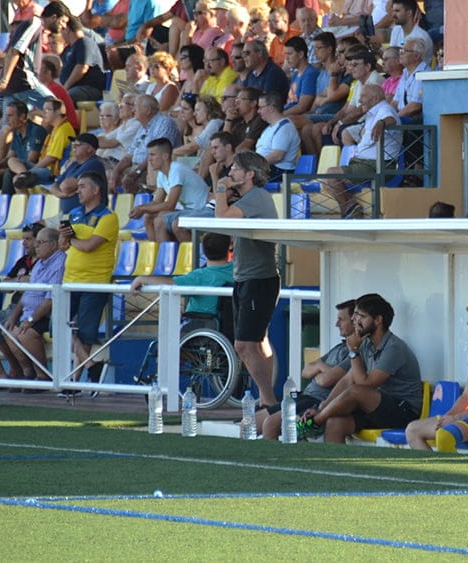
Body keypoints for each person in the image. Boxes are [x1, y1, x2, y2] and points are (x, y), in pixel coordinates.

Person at [303, 292, 422, 444]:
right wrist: (323, 406)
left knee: (356, 391)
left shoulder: (394, 348)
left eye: (361, 316)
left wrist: (353, 351)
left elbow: (364, 385)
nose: (354, 319)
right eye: (355, 315)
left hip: (403, 411)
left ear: (378, 320)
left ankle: (315, 423)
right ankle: (333, 466)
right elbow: (348, 380)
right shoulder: (366, 344)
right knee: (335, 423)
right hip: (375, 407)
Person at [214, 150, 280, 406]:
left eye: (235, 170)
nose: (230, 174)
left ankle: (269, 401)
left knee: (244, 345)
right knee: (259, 341)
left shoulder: (257, 197)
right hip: (246, 278)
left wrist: (221, 188)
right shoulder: (248, 199)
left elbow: (221, 218)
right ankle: (268, 401)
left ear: (249, 174)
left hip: (258, 279)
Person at [404, 297, 468, 451]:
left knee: (443, 433)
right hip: (465, 415)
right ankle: (434, 473)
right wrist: (446, 417)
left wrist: (455, 418)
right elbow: (466, 396)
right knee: (412, 430)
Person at [58, 171, 119, 391]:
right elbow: (62, 246)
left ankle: (74, 382)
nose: (78, 190)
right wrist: (65, 237)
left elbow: (90, 245)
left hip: (94, 281)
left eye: (82, 186)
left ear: (96, 190)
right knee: (60, 325)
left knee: (84, 331)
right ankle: (92, 366)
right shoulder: (73, 213)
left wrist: (71, 238)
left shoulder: (108, 217)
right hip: (69, 280)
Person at [261, 299, 356, 441]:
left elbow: (326, 380)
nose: (337, 324)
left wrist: (319, 369)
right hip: (304, 396)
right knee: (249, 421)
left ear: (355, 321)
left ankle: (273, 461)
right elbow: (305, 371)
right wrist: (322, 368)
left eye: (341, 320)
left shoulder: (355, 353)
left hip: (315, 400)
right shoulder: (339, 347)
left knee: (270, 424)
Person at [322, 83, 400, 218]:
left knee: (331, 175)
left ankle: (349, 210)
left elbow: (391, 119)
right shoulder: (370, 113)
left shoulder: (384, 109)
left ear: (375, 98)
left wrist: (382, 123)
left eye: (363, 96)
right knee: (326, 182)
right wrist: (361, 110)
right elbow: (346, 120)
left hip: (379, 165)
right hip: (364, 163)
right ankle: (350, 207)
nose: (359, 100)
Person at [131, 232, 234, 333]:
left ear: (204, 250)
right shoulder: (236, 271)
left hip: (200, 328)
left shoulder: (199, 276)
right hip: (229, 329)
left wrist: (142, 279)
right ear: (229, 247)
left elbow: (170, 284)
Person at [0, 227, 66, 382]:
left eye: (41, 243)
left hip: (47, 314)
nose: (36, 246)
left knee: (25, 334)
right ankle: (28, 372)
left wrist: (30, 321)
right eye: (36, 243)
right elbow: (27, 294)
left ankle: (43, 375)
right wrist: (13, 317)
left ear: (53, 244)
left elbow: (50, 300)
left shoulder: (59, 263)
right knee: (7, 331)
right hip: (28, 312)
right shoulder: (38, 264)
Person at [0, 222, 42, 380]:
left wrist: (23, 281)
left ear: (38, 240)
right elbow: (7, 283)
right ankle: (8, 370)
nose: (24, 243)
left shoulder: (44, 261)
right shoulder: (23, 260)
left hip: (28, 308)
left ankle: (24, 370)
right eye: (23, 239)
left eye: (28, 239)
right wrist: (22, 280)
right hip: (12, 307)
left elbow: (35, 284)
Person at [130, 138, 210, 242]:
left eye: (152, 155)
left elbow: (170, 205)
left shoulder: (176, 170)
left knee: (160, 220)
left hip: (202, 210)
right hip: (189, 211)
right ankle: (157, 253)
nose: (149, 159)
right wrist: (140, 207)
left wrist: (143, 209)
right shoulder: (162, 174)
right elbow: (157, 201)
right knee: (148, 217)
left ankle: (178, 256)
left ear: (165, 156)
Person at [111, 93, 182, 193]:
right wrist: (116, 171)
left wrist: (136, 173)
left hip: (153, 169)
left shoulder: (164, 123)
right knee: (108, 175)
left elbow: (157, 154)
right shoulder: (142, 127)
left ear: (147, 110)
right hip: (137, 168)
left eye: (135, 106)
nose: (132, 110)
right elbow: (129, 156)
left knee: (128, 181)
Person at [0, 0, 57, 110]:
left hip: (13, 85)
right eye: (63, 21)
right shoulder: (35, 23)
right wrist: (5, 79)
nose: (63, 26)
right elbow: (15, 51)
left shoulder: (33, 26)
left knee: (11, 123)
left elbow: (9, 52)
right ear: (54, 17)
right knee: (56, 108)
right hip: (25, 81)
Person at [8, 96, 76, 193]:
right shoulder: (55, 129)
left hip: (52, 171)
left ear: (58, 112)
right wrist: (28, 173)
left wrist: (34, 169)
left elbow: (51, 158)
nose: (43, 113)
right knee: (12, 160)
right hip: (43, 168)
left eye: (47, 110)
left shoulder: (64, 129)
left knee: (17, 180)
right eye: (43, 110)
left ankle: (27, 206)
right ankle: (24, 174)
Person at [0, 101, 46, 195]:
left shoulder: (36, 131)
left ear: (22, 117)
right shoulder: (16, 132)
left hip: (33, 171)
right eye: (7, 115)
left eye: (10, 115)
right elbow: (9, 157)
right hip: (17, 169)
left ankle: (5, 205)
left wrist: (2, 171)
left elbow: (31, 160)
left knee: (8, 173)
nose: (7, 119)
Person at [47, 133, 107, 214]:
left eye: (78, 145)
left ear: (89, 149)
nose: (74, 147)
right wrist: (63, 195)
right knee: (32, 226)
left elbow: (66, 186)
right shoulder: (73, 165)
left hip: (87, 215)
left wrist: (62, 188)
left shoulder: (94, 163)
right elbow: (53, 187)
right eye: (73, 145)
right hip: (67, 215)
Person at [58, 16, 106, 103]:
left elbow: (82, 68)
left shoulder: (85, 42)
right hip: (72, 88)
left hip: (88, 88)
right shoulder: (68, 48)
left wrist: (65, 88)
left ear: (67, 29)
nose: (61, 34)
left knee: (67, 97)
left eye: (62, 31)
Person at [254, 91, 300, 180]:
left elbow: (277, 156)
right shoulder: (269, 128)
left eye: (260, 107)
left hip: (279, 172)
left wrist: (254, 164)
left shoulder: (285, 127)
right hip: (266, 169)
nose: (258, 111)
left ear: (271, 108)